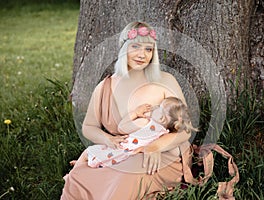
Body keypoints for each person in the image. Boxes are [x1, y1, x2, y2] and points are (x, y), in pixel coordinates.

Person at [61, 21, 197, 200]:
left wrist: (155, 146)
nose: (142, 55)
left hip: (160, 154)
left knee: (127, 175)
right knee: (79, 177)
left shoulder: (165, 80)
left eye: (148, 49)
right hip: (121, 152)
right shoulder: (104, 87)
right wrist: (108, 139)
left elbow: (185, 129)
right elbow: (89, 127)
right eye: (135, 47)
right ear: (123, 48)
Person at [71, 96, 197, 169]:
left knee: (89, 151)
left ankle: (75, 172)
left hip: (121, 150)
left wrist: (136, 113)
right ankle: (88, 164)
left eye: (159, 107)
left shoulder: (146, 124)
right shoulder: (164, 134)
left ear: (162, 118)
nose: (155, 106)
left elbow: (121, 127)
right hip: (129, 156)